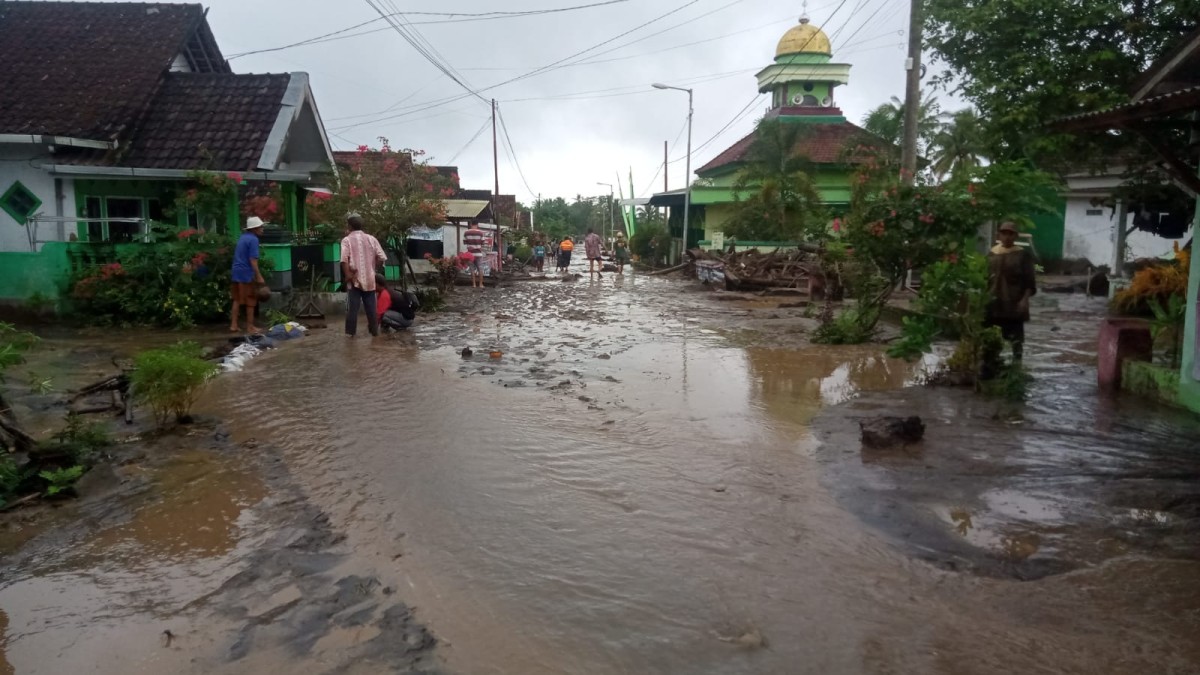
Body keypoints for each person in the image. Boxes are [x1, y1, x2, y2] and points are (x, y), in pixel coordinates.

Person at [986, 221, 1037, 362]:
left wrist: (1024, 300)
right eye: (1004, 233)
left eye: (1010, 234)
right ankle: (992, 366)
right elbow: (984, 279)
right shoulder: (992, 254)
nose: (1007, 237)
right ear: (999, 235)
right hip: (994, 303)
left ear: (1016, 236)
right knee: (991, 339)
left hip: (1013, 303)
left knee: (1016, 339)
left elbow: (1029, 281)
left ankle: (1016, 368)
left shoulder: (1022, 256)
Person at [340, 214, 387, 337]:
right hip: (370, 279)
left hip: (354, 279)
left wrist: (347, 274)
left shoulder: (347, 240)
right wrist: (373, 267)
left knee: (353, 309)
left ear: (349, 226)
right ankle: (374, 332)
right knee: (371, 308)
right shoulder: (371, 239)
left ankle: (350, 336)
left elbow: (344, 259)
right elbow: (382, 257)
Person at [230, 216, 266, 333]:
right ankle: (250, 326)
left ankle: (234, 325)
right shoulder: (254, 240)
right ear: (254, 229)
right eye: (260, 227)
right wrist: (259, 276)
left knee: (236, 299)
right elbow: (253, 260)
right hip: (246, 273)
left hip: (236, 271)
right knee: (251, 299)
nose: (262, 229)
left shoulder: (243, 238)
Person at [463, 220, 488, 288]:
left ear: (471, 224)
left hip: (470, 254)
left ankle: (473, 284)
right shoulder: (480, 233)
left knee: (472, 269)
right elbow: (483, 243)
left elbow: (465, 242)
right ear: (477, 224)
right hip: (478, 253)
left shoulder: (466, 232)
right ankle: (480, 284)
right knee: (480, 269)